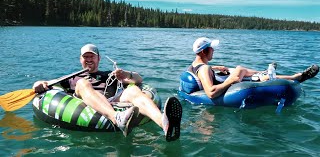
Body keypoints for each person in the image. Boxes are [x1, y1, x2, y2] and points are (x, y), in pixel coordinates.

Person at [33, 44, 182, 141]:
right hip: (87, 104)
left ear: (99, 58)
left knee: (133, 90)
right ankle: (117, 119)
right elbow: (44, 84)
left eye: (92, 56)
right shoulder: (73, 78)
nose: (89, 59)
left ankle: (165, 123)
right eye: (85, 57)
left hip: (112, 100)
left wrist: (126, 75)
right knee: (83, 83)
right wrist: (39, 83)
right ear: (80, 59)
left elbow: (139, 78)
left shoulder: (109, 74)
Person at [189, 37, 319, 98]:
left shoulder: (196, 65)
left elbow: (201, 70)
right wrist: (231, 81)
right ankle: (295, 77)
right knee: (242, 70)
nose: (213, 50)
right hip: (223, 85)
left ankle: (266, 72)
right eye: (211, 48)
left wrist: (216, 67)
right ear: (202, 52)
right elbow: (211, 93)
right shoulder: (204, 69)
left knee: (241, 70)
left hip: (217, 77)